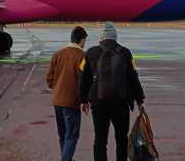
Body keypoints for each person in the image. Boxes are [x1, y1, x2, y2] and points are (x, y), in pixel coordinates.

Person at [79, 22, 145, 161]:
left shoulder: (91, 52)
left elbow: (83, 78)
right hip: (121, 102)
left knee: (100, 139)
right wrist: (140, 100)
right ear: (115, 37)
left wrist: (83, 100)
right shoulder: (125, 52)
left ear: (101, 37)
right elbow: (133, 77)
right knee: (121, 138)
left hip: (99, 103)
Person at [46, 26, 88, 161]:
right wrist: (84, 99)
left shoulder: (58, 54)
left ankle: (66, 157)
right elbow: (84, 81)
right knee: (72, 135)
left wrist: (58, 88)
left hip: (57, 100)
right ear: (82, 40)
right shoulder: (83, 56)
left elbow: (49, 78)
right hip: (71, 102)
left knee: (63, 134)